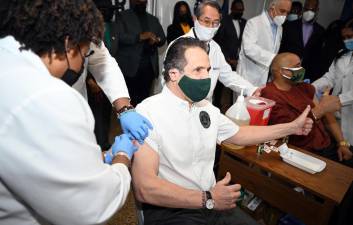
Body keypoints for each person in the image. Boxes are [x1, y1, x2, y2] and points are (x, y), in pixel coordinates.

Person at [132, 37, 313, 225]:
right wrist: (208, 198)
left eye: (208, 70)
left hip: (210, 203)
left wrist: (292, 127)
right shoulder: (148, 113)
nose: (206, 78)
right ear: (174, 74)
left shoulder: (206, 108)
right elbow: (145, 188)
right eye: (198, 70)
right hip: (172, 208)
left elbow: (241, 134)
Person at [0, 0, 141, 224]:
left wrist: (124, 109)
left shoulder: (9, 54)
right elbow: (93, 205)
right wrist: (121, 159)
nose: (82, 63)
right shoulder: (48, 98)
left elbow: (103, 60)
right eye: (83, 56)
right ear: (68, 44)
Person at [261, 52, 353, 166]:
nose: (301, 70)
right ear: (282, 71)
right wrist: (320, 110)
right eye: (297, 67)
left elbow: (326, 115)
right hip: (300, 152)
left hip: (326, 145)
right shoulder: (269, 94)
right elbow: (287, 130)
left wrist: (342, 143)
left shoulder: (303, 88)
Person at [161, 0, 258, 103]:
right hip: (181, 105)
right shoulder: (178, 45)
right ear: (196, 19)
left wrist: (252, 89)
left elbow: (228, 76)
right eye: (206, 21)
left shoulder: (215, 48)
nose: (211, 27)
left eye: (215, 22)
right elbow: (165, 80)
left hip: (205, 105)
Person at [116, 0, 166, 105]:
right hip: (129, 67)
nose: (140, 2)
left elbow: (162, 38)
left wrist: (156, 40)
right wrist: (140, 37)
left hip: (149, 67)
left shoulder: (153, 19)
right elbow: (120, 37)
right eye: (138, 1)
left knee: (145, 101)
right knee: (129, 101)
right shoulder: (123, 16)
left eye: (143, 1)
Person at [313, 19, 353, 149]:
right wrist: (310, 88)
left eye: (350, 37)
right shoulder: (342, 55)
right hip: (335, 114)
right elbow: (329, 78)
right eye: (344, 37)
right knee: (335, 145)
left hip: (348, 112)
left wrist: (339, 100)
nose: (347, 41)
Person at [87, 0, 120, 150]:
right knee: (93, 115)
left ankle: (104, 143)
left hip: (106, 78)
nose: (106, 12)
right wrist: (90, 81)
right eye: (102, 9)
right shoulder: (86, 27)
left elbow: (107, 58)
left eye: (108, 9)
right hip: (90, 82)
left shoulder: (111, 27)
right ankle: (95, 146)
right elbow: (86, 57)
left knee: (105, 114)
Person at [237, 0, 291, 87]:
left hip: (266, 78)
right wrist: (274, 58)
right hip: (248, 77)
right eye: (282, 11)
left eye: (287, 13)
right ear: (272, 7)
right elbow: (249, 48)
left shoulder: (280, 28)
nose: (284, 15)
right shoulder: (253, 23)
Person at [279, 0, 325, 82]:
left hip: (305, 72)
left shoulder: (320, 31)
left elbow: (318, 55)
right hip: (287, 68)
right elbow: (282, 48)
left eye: (312, 10)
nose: (309, 12)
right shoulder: (289, 26)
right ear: (303, 9)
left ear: (317, 10)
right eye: (307, 9)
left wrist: (313, 77)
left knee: (296, 93)